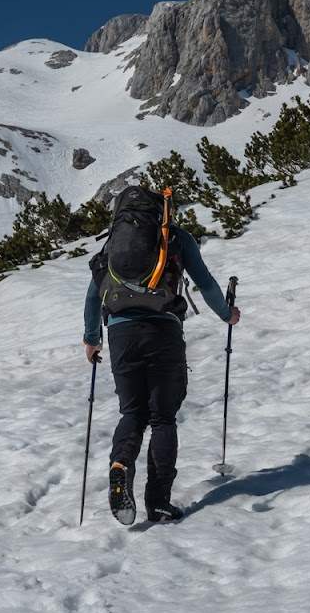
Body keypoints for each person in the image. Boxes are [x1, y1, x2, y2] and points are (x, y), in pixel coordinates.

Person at [83, 189, 239, 525]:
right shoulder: (174, 239)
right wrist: (227, 314)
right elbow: (206, 284)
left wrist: (92, 339)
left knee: (133, 412)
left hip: (121, 334)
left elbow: (94, 295)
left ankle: (120, 464)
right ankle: (158, 503)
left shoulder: (112, 245)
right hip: (163, 332)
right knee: (163, 418)